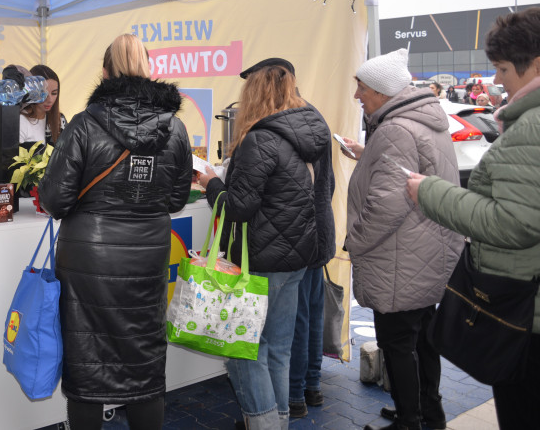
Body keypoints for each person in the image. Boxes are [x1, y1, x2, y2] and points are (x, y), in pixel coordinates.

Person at [39, 33, 191, 430]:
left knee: (87, 359)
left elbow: (54, 200)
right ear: (149, 69)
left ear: (105, 73)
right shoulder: (175, 129)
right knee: (144, 358)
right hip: (147, 257)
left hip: (89, 258)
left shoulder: (86, 124)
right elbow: (176, 200)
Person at [407, 7, 540, 429]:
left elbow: (516, 224)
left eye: (502, 68)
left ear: (534, 64)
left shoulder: (532, 127)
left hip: (523, 310)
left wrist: (429, 192)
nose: (497, 80)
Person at [197, 63, 329, 430]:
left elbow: (239, 207)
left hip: (262, 261)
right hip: (296, 259)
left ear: (254, 93)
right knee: (277, 349)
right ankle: (279, 421)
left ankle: (265, 424)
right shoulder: (307, 134)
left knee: (244, 351)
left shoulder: (260, 139)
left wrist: (210, 182)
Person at [338, 48, 463, 430]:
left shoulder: (394, 129)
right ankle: (430, 411)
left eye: (361, 87)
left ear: (381, 90)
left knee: (397, 342)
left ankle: (409, 420)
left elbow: (387, 205)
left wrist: (353, 241)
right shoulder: (420, 121)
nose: (357, 95)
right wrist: (367, 154)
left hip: (399, 257)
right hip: (426, 251)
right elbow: (408, 175)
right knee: (423, 336)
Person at [18, 64, 65, 145]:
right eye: (44, 93)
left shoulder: (60, 120)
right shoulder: (21, 121)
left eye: (54, 93)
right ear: (32, 92)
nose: (50, 100)